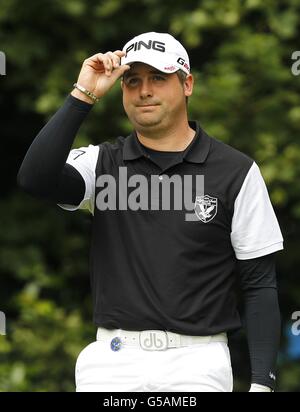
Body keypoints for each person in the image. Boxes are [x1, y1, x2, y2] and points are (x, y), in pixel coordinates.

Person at [17, 32, 284, 392]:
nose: (144, 91)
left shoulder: (236, 171)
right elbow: (35, 178)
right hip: (110, 361)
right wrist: (83, 94)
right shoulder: (103, 163)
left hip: (197, 364)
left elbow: (260, 284)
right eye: (133, 81)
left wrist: (261, 384)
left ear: (187, 84)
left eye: (158, 78)